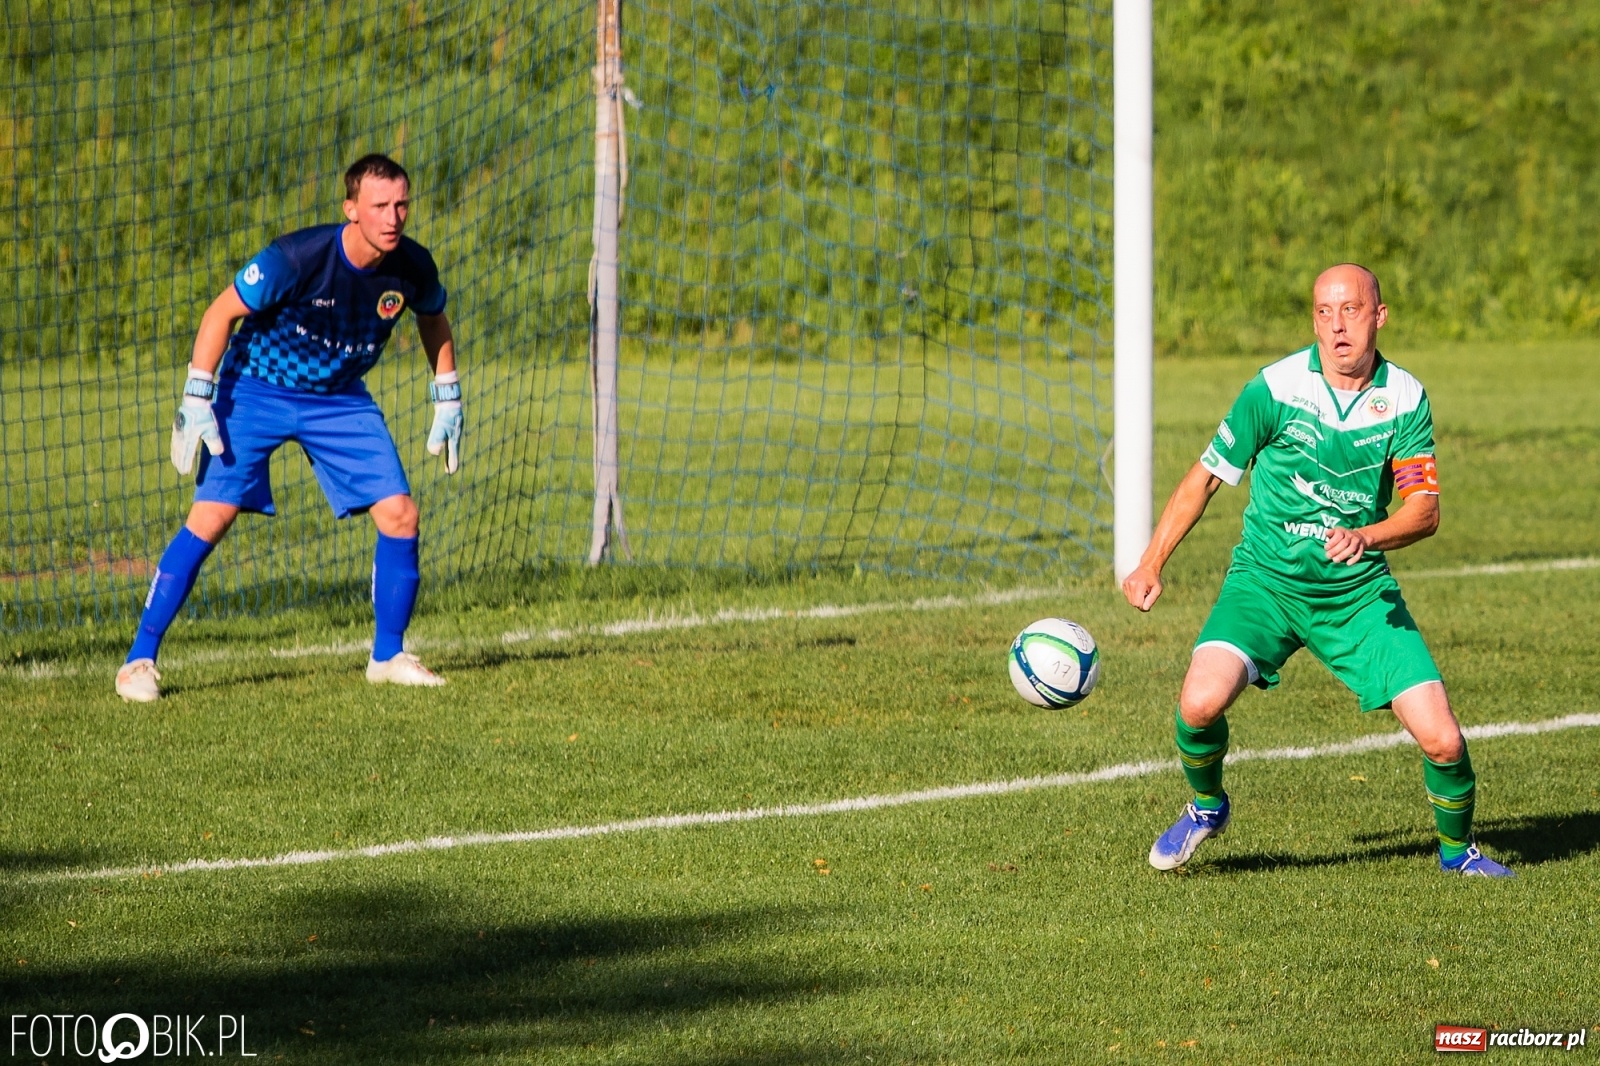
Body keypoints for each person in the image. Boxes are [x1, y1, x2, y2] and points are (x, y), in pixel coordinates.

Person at [1121, 264, 1513, 877]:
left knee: (1443, 740)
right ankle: (1206, 807)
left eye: (1351, 311)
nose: (1337, 327)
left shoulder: (1403, 398)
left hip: (1357, 597)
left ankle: (1458, 853)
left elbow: (1425, 513)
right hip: (1265, 586)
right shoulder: (1273, 389)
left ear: (1379, 316)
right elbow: (1204, 478)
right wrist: (1151, 561)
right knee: (1198, 704)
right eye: (1324, 313)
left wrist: (1366, 536)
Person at [115, 153, 462, 701]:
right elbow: (219, 314)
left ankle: (388, 656)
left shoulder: (412, 266)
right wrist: (198, 395)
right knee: (212, 517)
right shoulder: (296, 258)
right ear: (351, 209)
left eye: (401, 204)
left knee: (401, 515)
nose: (393, 217)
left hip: (340, 399)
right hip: (256, 388)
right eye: (379, 206)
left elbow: (432, 315)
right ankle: (138, 660)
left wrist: (448, 395)